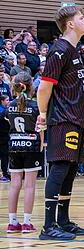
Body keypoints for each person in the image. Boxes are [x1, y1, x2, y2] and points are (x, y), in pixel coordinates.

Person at [35, 6, 84, 240]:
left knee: (70, 170)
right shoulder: (59, 50)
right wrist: (42, 114)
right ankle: (48, 226)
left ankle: (63, 221)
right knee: (60, 169)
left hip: (77, 119)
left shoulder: (76, 50)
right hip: (62, 119)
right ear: (70, 24)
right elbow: (44, 87)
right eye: (82, 18)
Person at [7, 72, 41, 233]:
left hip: (14, 145)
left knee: (14, 185)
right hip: (31, 146)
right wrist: (41, 143)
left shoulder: (10, 105)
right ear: (30, 86)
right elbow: (40, 127)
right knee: (29, 185)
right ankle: (27, 222)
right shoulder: (35, 106)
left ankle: (12, 222)